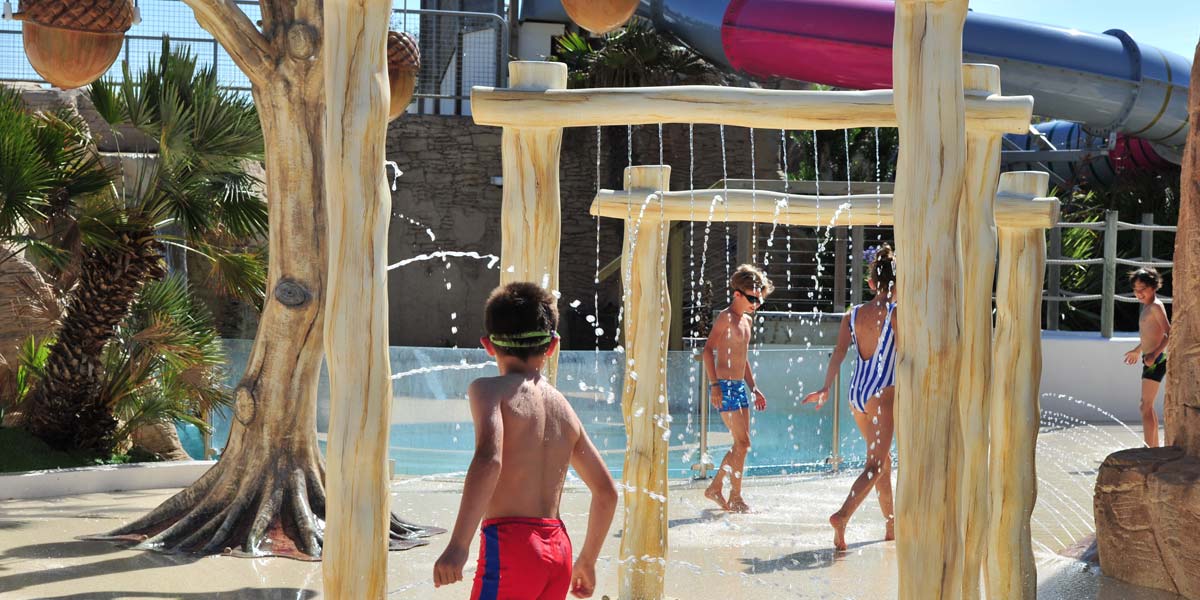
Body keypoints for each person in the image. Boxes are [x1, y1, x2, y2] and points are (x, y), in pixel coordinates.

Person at [433, 282, 618, 599]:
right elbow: (606, 492)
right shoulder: (564, 408)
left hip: (512, 547)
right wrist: (587, 560)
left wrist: (459, 544)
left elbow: (490, 460)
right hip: (558, 549)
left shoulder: (489, 390)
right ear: (553, 345)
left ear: (488, 345)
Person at [803, 244, 898, 552]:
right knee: (875, 463)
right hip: (882, 394)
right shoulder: (897, 314)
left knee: (883, 463)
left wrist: (826, 387)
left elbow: (840, 353)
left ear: (871, 283)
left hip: (857, 393)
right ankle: (843, 515)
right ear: (898, 284)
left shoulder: (853, 314)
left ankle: (891, 526)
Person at [702, 264, 773, 513]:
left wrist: (754, 388)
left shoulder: (747, 322)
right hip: (724, 385)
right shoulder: (726, 318)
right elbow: (707, 351)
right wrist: (714, 386)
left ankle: (717, 488)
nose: (757, 304)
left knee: (741, 444)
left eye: (759, 299)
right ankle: (734, 496)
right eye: (753, 298)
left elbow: (743, 359)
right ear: (737, 295)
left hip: (740, 387)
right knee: (742, 443)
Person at [1123, 267, 1171, 448]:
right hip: (1150, 358)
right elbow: (1150, 336)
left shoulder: (1156, 307)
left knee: (1145, 405)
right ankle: (1153, 446)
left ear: (1153, 287)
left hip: (1156, 360)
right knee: (1147, 406)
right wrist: (1138, 350)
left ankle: (1150, 448)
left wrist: (1154, 354)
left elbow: (1168, 333)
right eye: (1136, 289)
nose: (1139, 293)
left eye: (1142, 288)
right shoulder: (1148, 307)